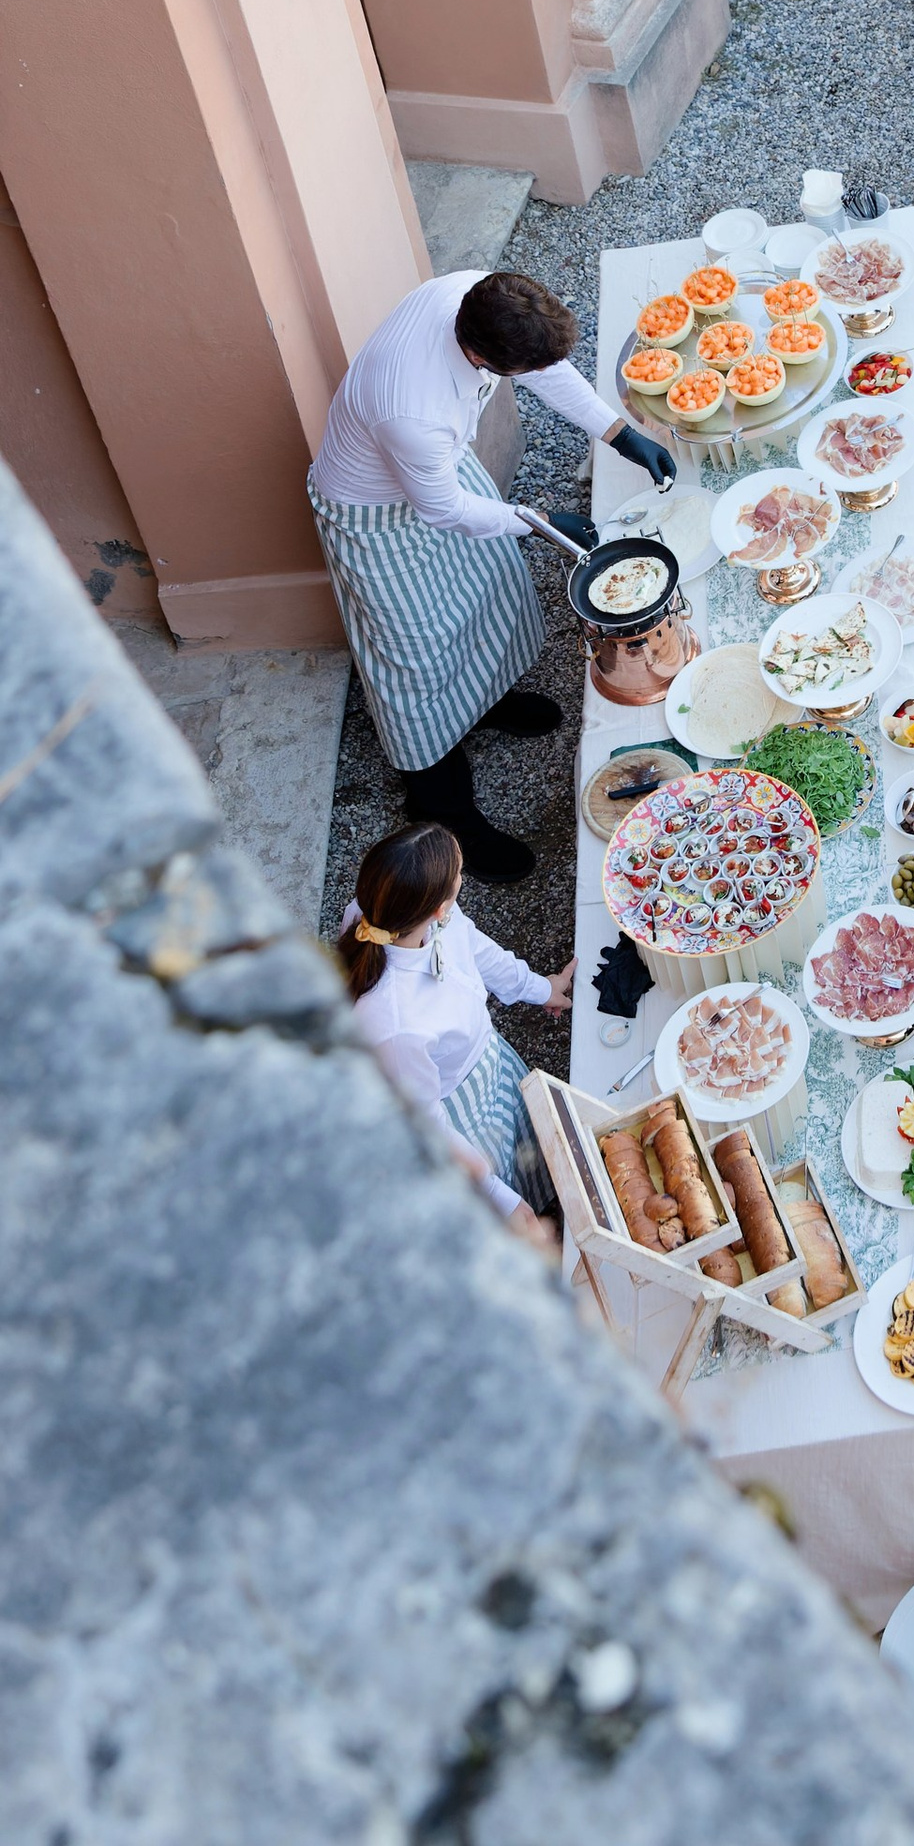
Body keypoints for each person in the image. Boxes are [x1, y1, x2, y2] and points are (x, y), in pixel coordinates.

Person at [308, 269, 676, 882]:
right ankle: (445, 810)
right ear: (480, 356)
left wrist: (617, 434)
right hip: (376, 512)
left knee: (485, 590)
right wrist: (538, 520)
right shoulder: (414, 413)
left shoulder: (477, 295)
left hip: (436, 478)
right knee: (415, 657)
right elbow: (444, 510)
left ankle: (485, 702)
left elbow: (543, 367)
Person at [337, 821, 569, 1241]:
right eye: (460, 874)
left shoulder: (388, 909)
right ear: (437, 908)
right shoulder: (394, 1027)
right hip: (458, 1111)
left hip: (487, 1063)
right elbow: (428, 1127)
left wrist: (543, 989)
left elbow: (480, 951)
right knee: (503, 1192)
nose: (463, 879)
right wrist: (505, 1201)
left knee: (526, 1152)